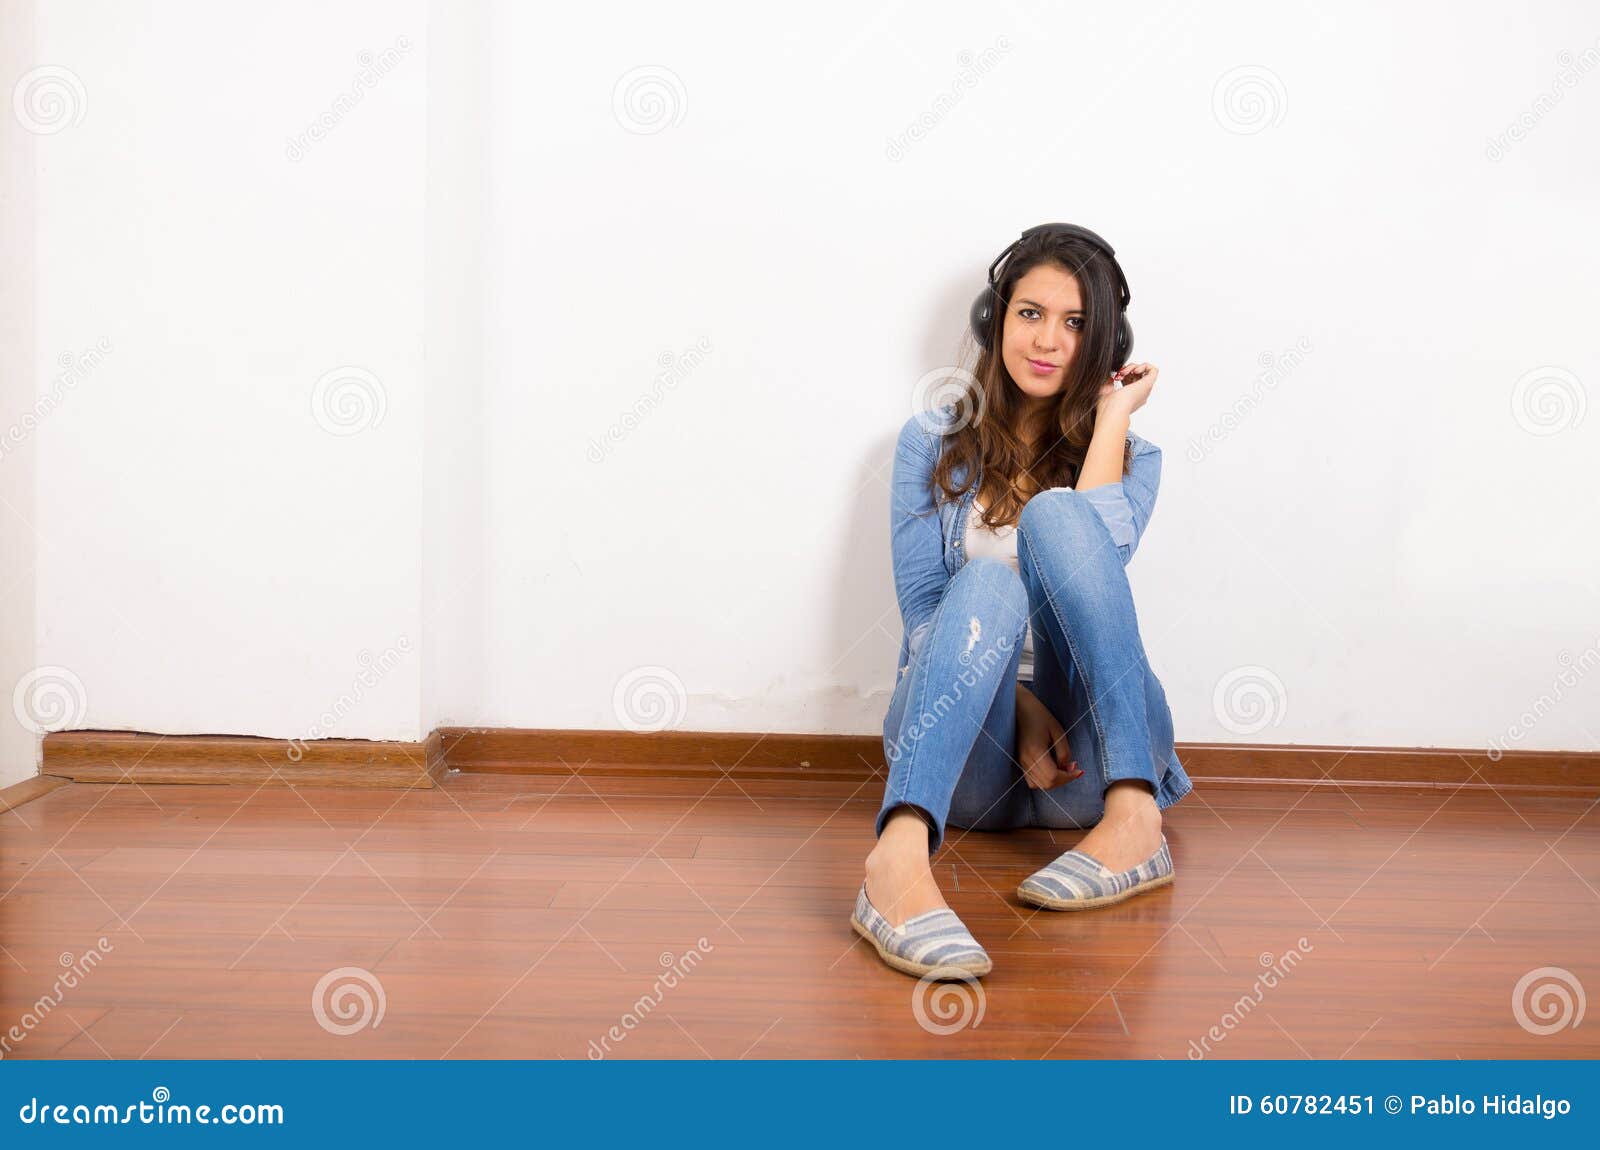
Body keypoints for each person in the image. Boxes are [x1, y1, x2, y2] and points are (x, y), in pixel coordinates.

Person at [849, 224, 1194, 980]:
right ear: (993, 320)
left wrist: (1111, 419)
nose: (1047, 340)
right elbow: (923, 619)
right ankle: (898, 860)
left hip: (1094, 759)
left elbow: (1096, 563)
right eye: (1030, 313)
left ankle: (1137, 819)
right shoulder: (929, 441)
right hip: (970, 758)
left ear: (1105, 341)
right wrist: (1016, 700)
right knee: (986, 584)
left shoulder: (1135, 454)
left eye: (1076, 325)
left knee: (1057, 516)